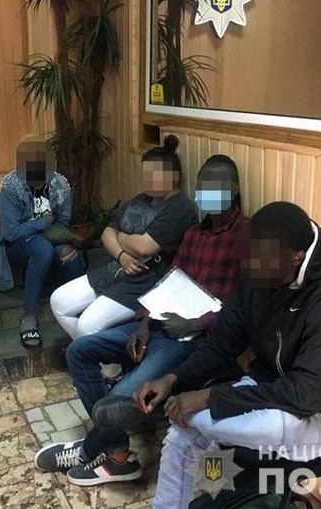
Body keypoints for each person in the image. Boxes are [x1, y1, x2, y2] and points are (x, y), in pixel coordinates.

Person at [132, 201, 321, 509]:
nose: (251, 264)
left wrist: (211, 397)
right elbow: (222, 344)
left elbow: (305, 394)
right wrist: (172, 379)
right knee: (182, 433)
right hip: (269, 389)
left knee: (195, 416)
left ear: (296, 257)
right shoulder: (257, 274)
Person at [34, 155, 251, 486]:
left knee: (120, 397)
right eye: (202, 186)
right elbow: (170, 279)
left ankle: (91, 451)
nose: (206, 192)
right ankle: (117, 450)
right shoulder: (194, 234)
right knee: (79, 351)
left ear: (232, 190)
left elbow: (245, 305)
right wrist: (145, 322)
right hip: (161, 325)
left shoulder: (247, 236)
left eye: (214, 186)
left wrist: (198, 324)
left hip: (195, 340)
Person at [50, 135, 198, 343]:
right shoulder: (140, 199)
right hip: (114, 269)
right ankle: (89, 354)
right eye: (145, 174)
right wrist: (121, 255)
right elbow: (106, 233)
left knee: (87, 324)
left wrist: (120, 235)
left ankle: (100, 360)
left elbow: (144, 248)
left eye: (154, 174)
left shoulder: (180, 207)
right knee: (58, 301)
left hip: (145, 282)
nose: (147, 180)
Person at [0, 134, 86, 349]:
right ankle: (29, 316)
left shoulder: (60, 185)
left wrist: (49, 229)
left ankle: (85, 310)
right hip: (16, 245)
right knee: (42, 248)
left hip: (49, 237)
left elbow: (62, 223)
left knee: (68, 253)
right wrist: (44, 221)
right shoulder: (12, 188)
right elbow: (11, 233)